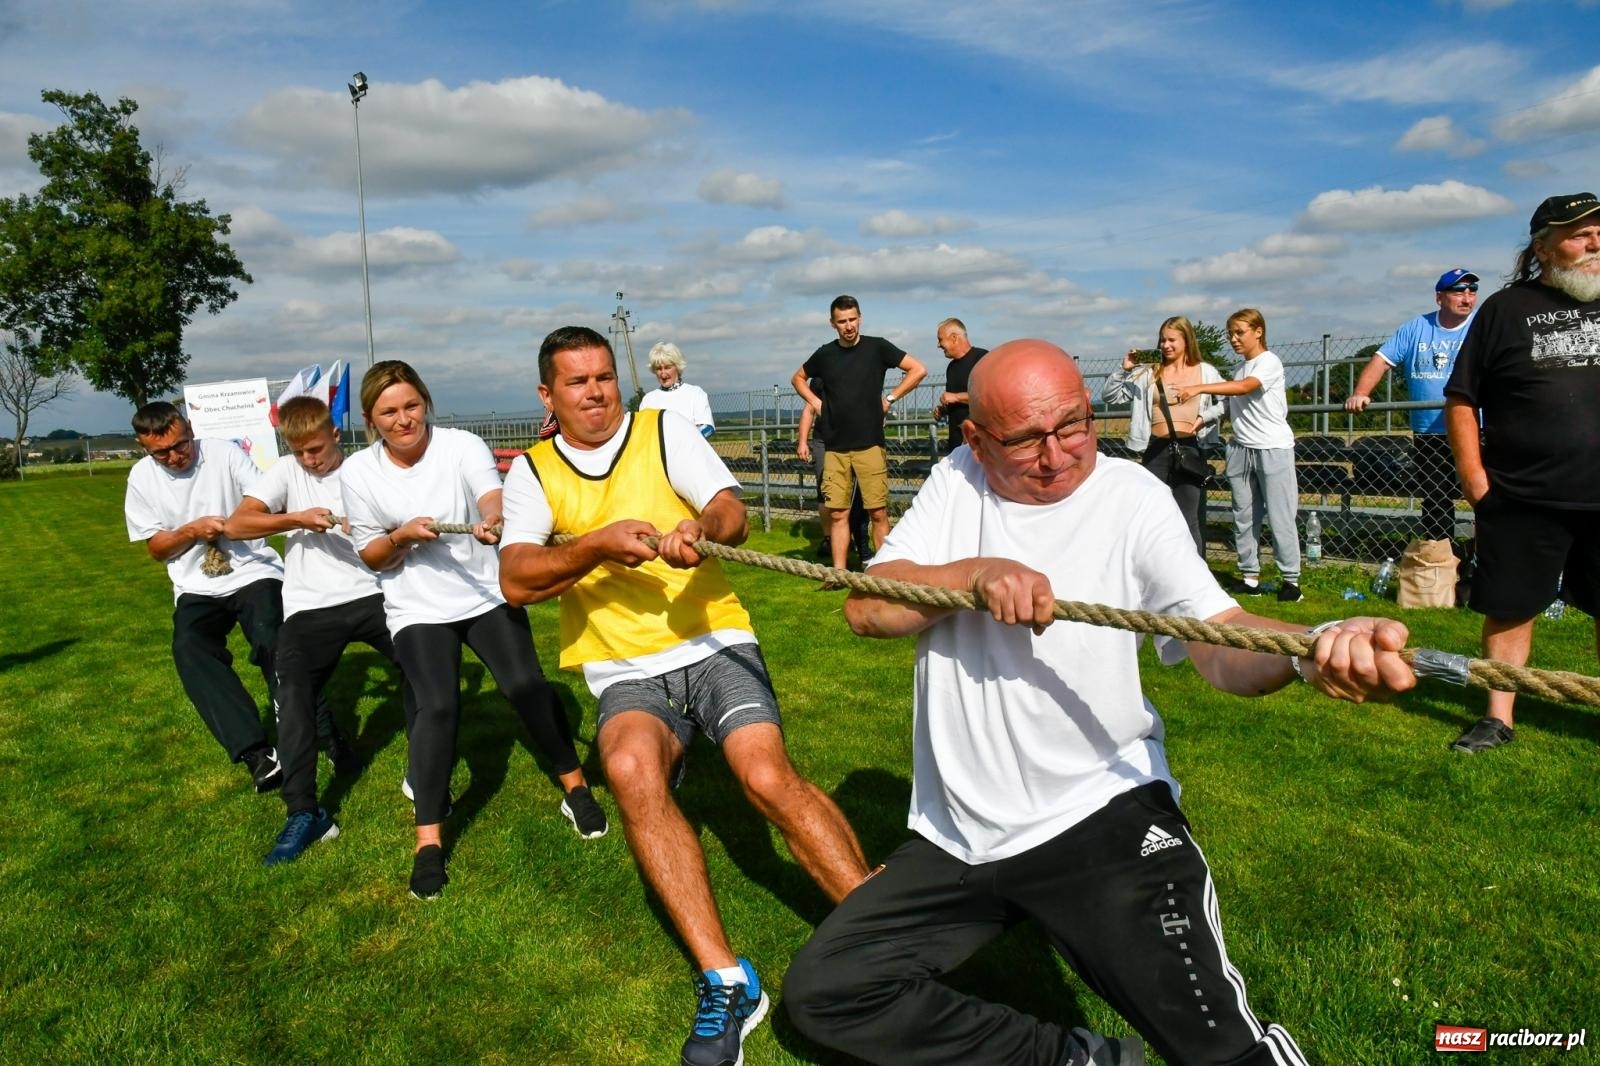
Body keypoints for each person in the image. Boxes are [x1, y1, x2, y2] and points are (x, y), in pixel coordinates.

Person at [784, 339, 1417, 1066]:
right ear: (977, 439)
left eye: (1075, 426)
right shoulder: (957, 480)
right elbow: (866, 608)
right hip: (960, 834)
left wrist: (1311, 646)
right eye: (1026, 439)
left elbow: (1217, 637)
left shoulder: (1133, 499)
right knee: (830, 991)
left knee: (1222, 1056)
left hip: (1101, 818)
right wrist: (976, 575)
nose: (1057, 456)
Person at [499, 326, 871, 1066]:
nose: (596, 392)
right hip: (622, 668)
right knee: (634, 773)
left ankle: (886, 932)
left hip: (712, 641)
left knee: (765, 776)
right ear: (548, 395)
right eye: (576, 382)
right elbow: (516, 579)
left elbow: (729, 508)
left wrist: (701, 528)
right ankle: (727, 982)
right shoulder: (532, 474)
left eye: (604, 376)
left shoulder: (663, 429)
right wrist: (597, 543)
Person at [339, 360, 604, 900]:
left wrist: (496, 520)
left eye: (411, 405)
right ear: (370, 418)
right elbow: (372, 556)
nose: (403, 419)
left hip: (484, 594)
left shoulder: (460, 445)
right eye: (388, 412)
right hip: (416, 607)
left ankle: (575, 787)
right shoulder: (357, 473)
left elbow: (490, 495)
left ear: (426, 402)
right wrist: (403, 537)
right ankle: (429, 841)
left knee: (526, 687)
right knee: (437, 706)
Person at [223, 395, 413, 866]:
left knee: (423, 665)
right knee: (293, 697)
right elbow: (238, 523)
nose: (311, 459)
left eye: (317, 448)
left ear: (334, 433)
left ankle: (423, 769)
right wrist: (296, 518)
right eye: (301, 451)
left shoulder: (366, 470)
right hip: (310, 606)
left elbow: (403, 526)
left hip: (374, 594)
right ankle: (305, 812)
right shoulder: (286, 475)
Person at [1443, 192, 1600, 754]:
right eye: (1580, 233)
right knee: (1510, 607)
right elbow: (1461, 398)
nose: (1594, 241)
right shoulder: (1506, 309)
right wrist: (1475, 481)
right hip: (1520, 493)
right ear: (1542, 245)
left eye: (1598, 230)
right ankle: (1498, 716)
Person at [124, 401, 291, 793]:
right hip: (196, 583)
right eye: (160, 452)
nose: (174, 456)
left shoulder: (224, 453)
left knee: (272, 634)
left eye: (180, 445)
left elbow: (266, 502)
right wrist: (192, 530)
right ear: (142, 446)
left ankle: (300, 720)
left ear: (190, 429)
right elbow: (157, 548)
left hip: (252, 569)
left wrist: (234, 524)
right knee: (189, 647)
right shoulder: (141, 478)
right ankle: (255, 752)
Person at [790, 295, 927, 572]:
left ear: (860, 317)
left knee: (877, 512)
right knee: (838, 514)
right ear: (833, 323)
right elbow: (797, 378)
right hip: (835, 448)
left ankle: (885, 572)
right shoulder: (825, 354)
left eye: (852, 319)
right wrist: (815, 402)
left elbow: (918, 369)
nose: (848, 326)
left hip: (870, 445)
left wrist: (890, 398)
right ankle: (839, 574)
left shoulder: (877, 348)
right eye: (842, 321)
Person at [1173, 309, 1302, 602]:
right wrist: (1203, 418)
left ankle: (1291, 581)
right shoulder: (1240, 369)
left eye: (1239, 332)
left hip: (1272, 449)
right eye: (1230, 333)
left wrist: (1197, 388)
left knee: (1281, 517)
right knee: (1243, 516)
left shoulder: (1268, 363)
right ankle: (1250, 577)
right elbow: (1232, 404)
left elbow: (1246, 388)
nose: (1234, 339)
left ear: (1258, 331)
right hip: (1241, 450)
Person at [1344, 269, 1480, 541]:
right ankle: (1440, 560)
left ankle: (1483, 560)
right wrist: (1361, 391)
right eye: (1458, 291)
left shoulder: (1483, 326)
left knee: (1482, 494)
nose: (1467, 298)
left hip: (1476, 428)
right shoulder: (1416, 328)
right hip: (1430, 431)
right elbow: (1382, 359)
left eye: (1472, 291)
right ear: (1439, 297)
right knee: (1435, 498)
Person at [1100, 315, 1226, 554]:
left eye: (1171, 340)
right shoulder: (1149, 373)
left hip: (1189, 448)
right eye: (1162, 340)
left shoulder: (1205, 372)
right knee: (1151, 515)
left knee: (1189, 517)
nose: (1165, 345)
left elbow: (1225, 403)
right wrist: (1123, 369)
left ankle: (1195, 575)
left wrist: (1204, 419)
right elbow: (1110, 396)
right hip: (1156, 448)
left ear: (1186, 340)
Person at [797, 377, 872, 567]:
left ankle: (862, 548)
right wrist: (803, 442)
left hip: (852, 440)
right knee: (827, 492)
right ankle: (830, 539)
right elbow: (809, 409)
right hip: (825, 440)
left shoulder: (855, 375)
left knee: (856, 497)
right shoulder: (819, 380)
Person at [931, 317, 988, 454]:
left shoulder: (983, 359)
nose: (938, 345)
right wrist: (944, 410)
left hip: (980, 445)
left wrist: (956, 397)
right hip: (957, 446)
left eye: (940, 340)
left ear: (954, 338)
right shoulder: (951, 367)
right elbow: (958, 404)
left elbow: (990, 397)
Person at [639, 341, 716, 438]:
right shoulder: (648, 400)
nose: (663, 374)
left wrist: (681, 443)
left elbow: (708, 428)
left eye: (667, 368)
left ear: (677, 367)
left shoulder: (695, 393)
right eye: (659, 369)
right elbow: (643, 432)